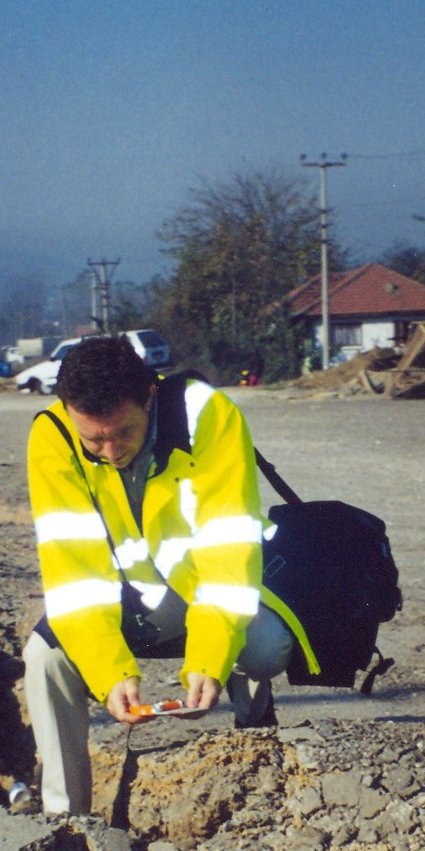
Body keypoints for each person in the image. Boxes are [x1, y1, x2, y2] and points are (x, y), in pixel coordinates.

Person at [23, 334, 294, 815]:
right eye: (94, 439)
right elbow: (75, 577)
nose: (109, 451)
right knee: (44, 659)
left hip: (202, 588)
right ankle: (66, 818)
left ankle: (255, 731)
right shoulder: (52, 436)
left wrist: (207, 661)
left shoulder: (208, 416)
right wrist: (109, 675)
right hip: (130, 598)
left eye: (122, 432)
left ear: (149, 393)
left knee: (267, 645)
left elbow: (227, 558)